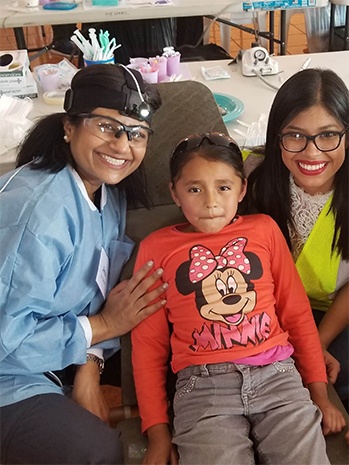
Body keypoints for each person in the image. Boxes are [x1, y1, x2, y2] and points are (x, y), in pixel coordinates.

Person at [131, 132, 346, 465]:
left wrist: (319, 394)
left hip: (278, 376)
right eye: (194, 189)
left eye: (223, 187)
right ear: (174, 193)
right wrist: (157, 433)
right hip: (203, 388)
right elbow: (147, 345)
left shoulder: (264, 230)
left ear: (242, 189)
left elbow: (296, 314)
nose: (210, 202)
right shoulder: (155, 248)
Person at [0, 64, 167, 465]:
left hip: (62, 357)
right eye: (107, 127)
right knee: (96, 451)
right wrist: (104, 328)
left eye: (137, 134)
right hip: (11, 375)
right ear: (69, 126)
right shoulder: (38, 212)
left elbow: (99, 290)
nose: (123, 147)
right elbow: (8, 338)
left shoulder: (107, 191)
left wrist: (89, 365)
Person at [243, 68, 349, 412]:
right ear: (277, 137)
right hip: (270, 312)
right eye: (296, 136)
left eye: (328, 135)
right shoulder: (252, 180)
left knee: (339, 373)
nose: (312, 152)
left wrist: (315, 344)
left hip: (335, 314)